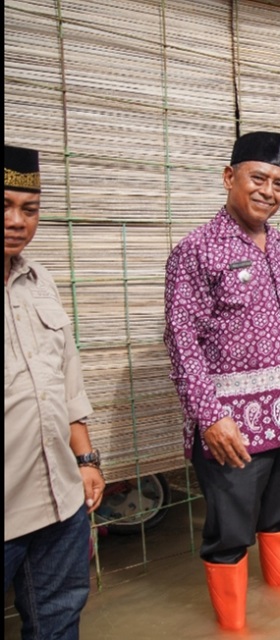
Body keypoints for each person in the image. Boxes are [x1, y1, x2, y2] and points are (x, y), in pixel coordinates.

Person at [163, 131, 280, 631]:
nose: (268, 191)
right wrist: (209, 417)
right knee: (230, 534)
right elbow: (181, 340)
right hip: (231, 430)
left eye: (279, 183)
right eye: (258, 178)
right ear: (229, 177)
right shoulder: (196, 250)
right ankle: (234, 629)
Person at [4, 144, 104, 639]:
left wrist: (86, 462)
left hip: (59, 504)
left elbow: (66, 381)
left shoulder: (39, 280)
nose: (16, 221)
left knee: (58, 624)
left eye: (29, 209)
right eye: (3, 205)